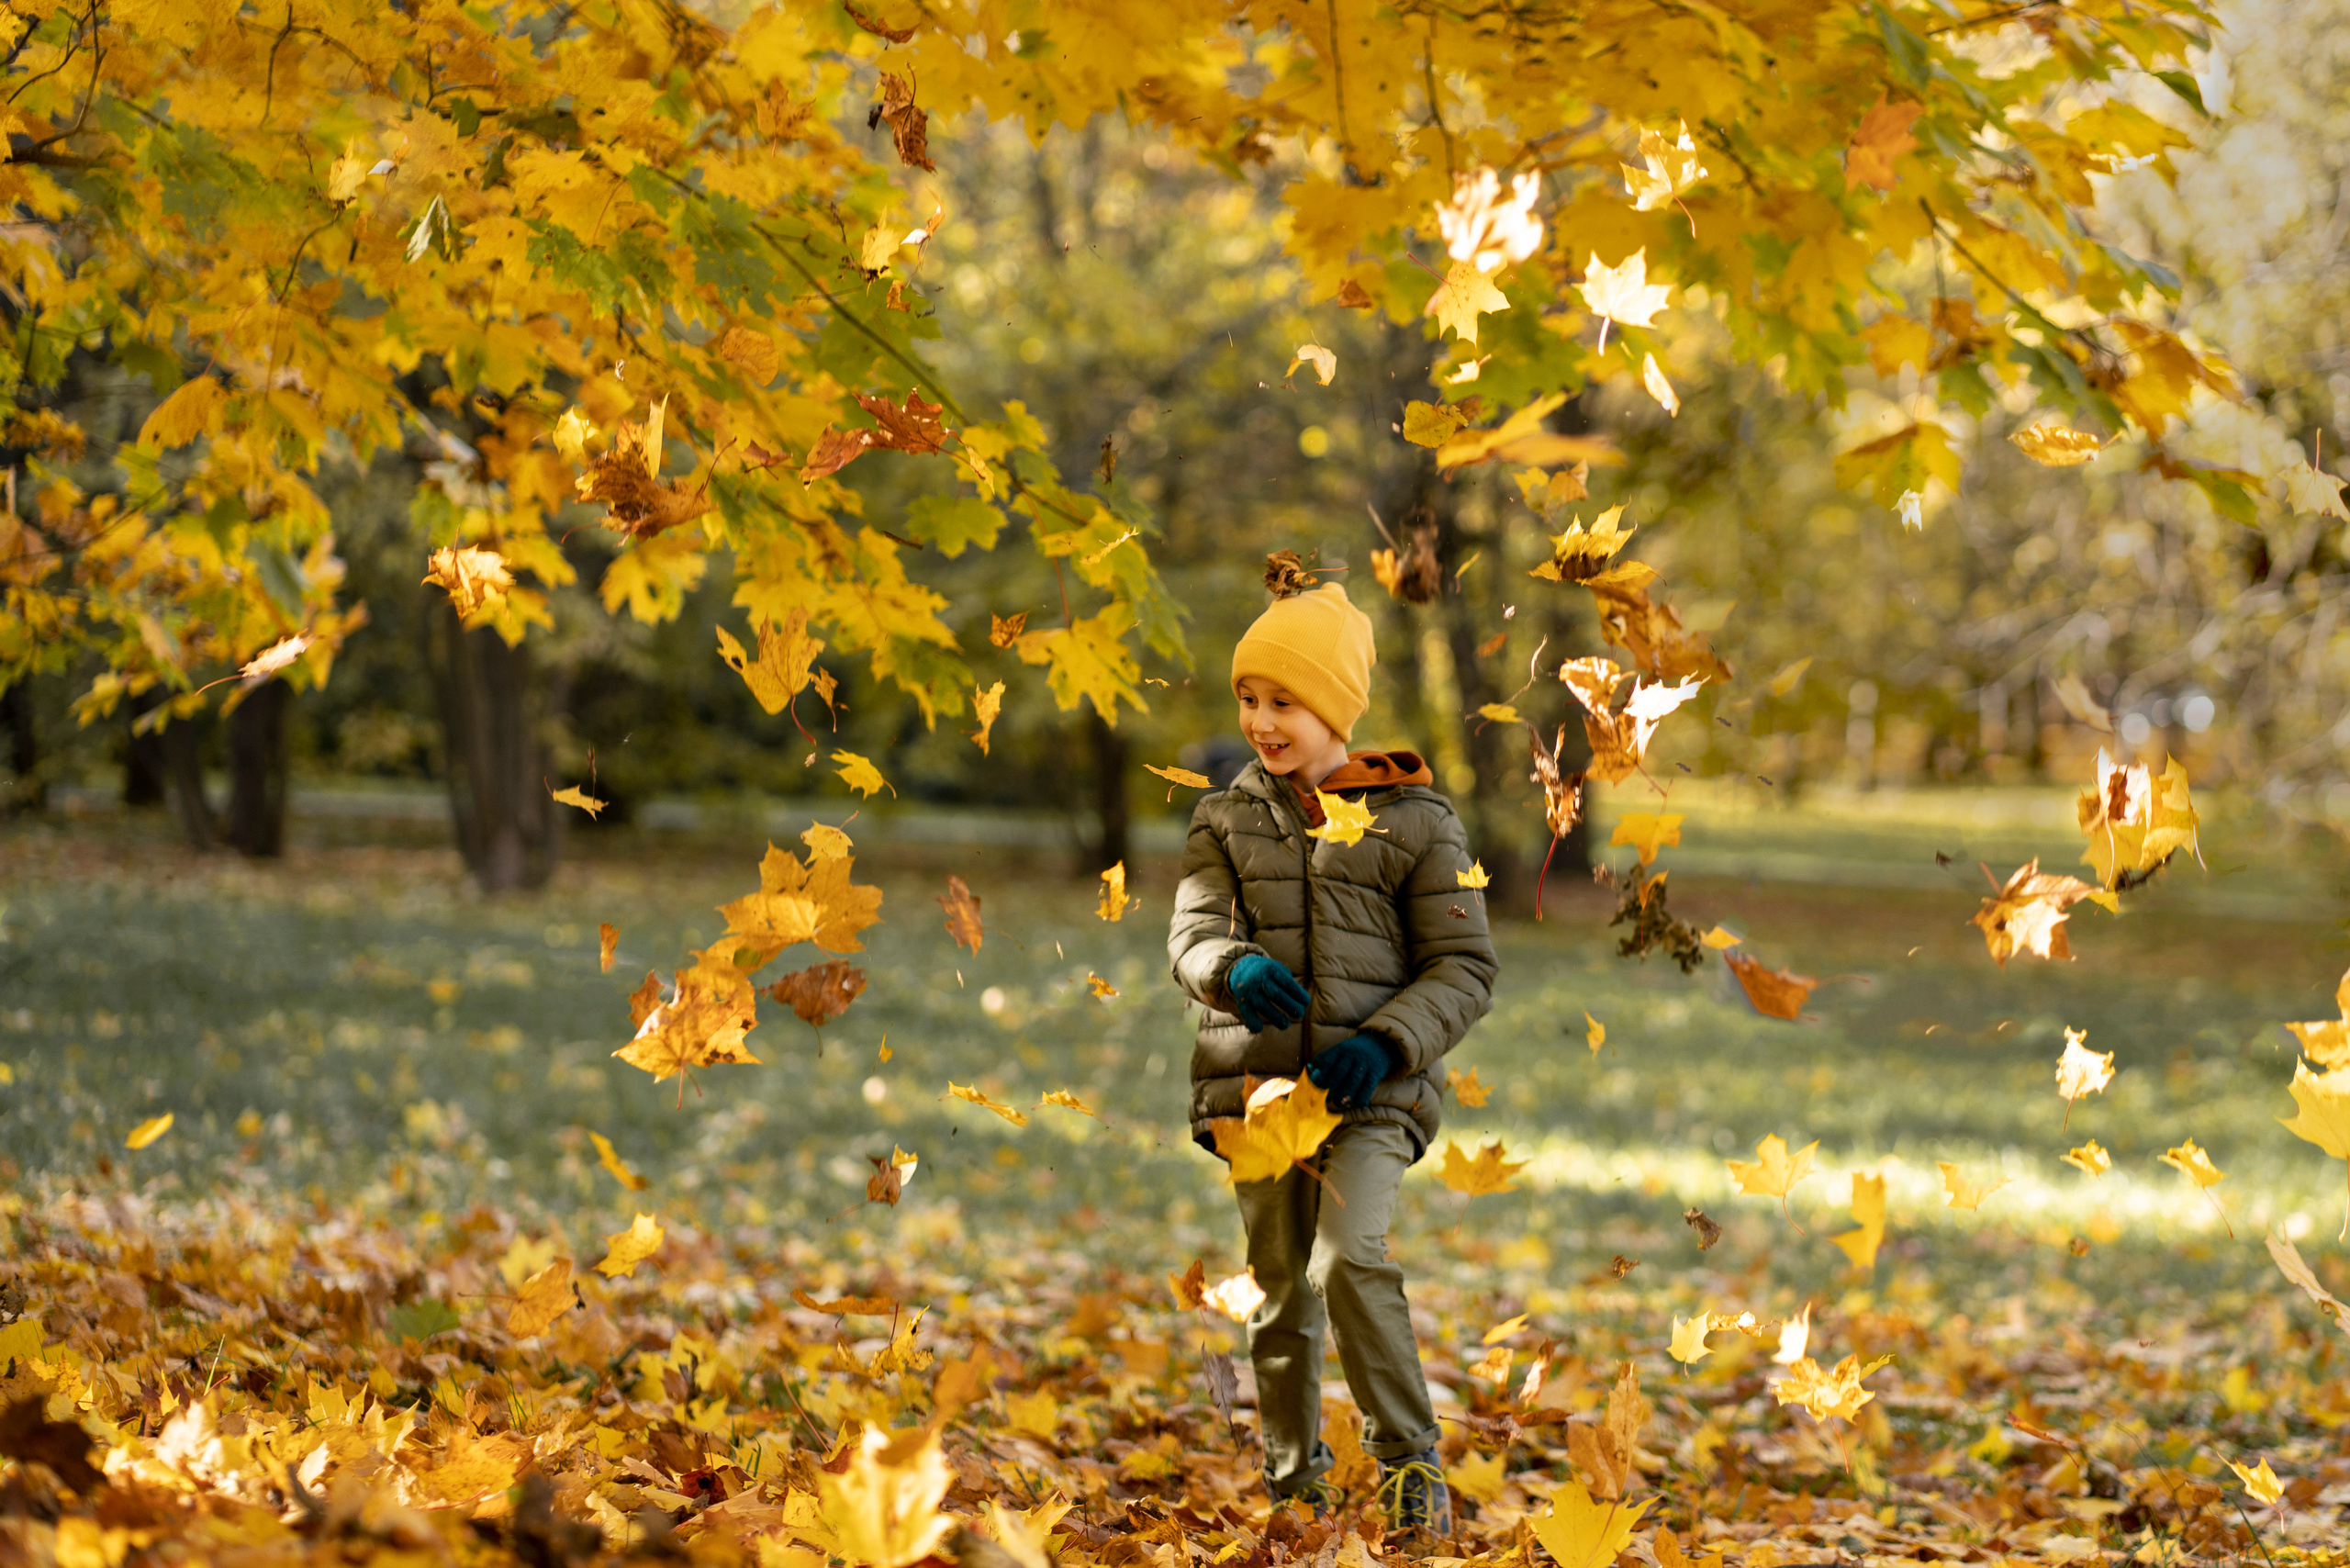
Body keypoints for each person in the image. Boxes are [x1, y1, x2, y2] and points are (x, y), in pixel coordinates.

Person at [1166, 575, 1499, 1536]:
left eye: (1285, 701)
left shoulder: (1417, 821)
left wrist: (1387, 1044)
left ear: (1336, 708)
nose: (1260, 722)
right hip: (1258, 1089)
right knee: (1278, 1291)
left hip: (1372, 1091)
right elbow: (1191, 935)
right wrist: (1229, 968)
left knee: (1347, 1259)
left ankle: (1410, 1467)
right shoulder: (1223, 819)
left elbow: (1464, 967)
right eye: (1249, 698)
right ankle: (1294, 1487)